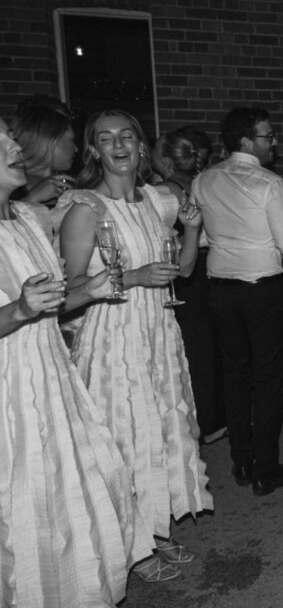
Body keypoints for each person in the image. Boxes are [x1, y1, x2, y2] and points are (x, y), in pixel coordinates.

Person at [0, 114, 151, 605]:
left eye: (9, 134)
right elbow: (27, 306)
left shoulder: (25, 217)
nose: (13, 145)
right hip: (10, 384)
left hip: (51, 371)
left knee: (77, 490)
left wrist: (97, 287)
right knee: (21, 505)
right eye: (1, 139)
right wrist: (18, 309)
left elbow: (58, 299)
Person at [56, 108, 213, 583]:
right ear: (94, 151)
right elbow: (69, 291)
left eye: (127, 136)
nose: (119, 145)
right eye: (106, 139)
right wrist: (135, 277)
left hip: (156, 331)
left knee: (160, 428)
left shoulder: (154, 200)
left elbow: (182, 271)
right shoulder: (86, 208)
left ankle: (154, 530)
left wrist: (189, 228)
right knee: (123, 434)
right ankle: (129, 545)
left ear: (143, 146)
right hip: (112, 336)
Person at [192, 107, 283, 496]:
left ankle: (241, 460)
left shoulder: (203, 180)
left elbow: (203, 238)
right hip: (262, 290)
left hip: (221, 290)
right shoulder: (269, 183)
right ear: (245, 142)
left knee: (234, 376)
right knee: (267, 380)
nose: (273, 142)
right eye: (267, 136)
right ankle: (266, 468)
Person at [156, 127, 227, 445]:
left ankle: (202, 419)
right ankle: (214, 416)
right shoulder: (210, 185)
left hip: (183, 272)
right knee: (209, 345)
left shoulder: (160, 193)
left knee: (193, 350)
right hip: (211, 268)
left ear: (168, 159)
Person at [10, 103, 77, 206]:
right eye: (71, 140)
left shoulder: (68, 183)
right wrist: (30, 200)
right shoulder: (10, 186)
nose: (76, 149)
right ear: (51, 141)